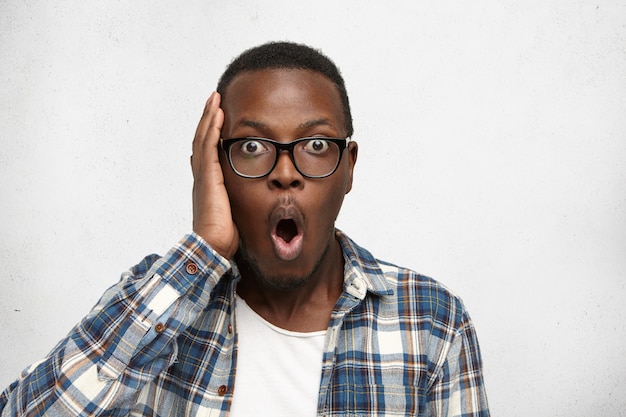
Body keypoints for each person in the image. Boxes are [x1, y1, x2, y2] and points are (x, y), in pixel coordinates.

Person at [0, 42, 489, 417]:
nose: (285, 172)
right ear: (216, 167)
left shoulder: (431, 322)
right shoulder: (158, 302)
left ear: (348, 168)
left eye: (316, 144)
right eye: (252, 147)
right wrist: (203, 249)